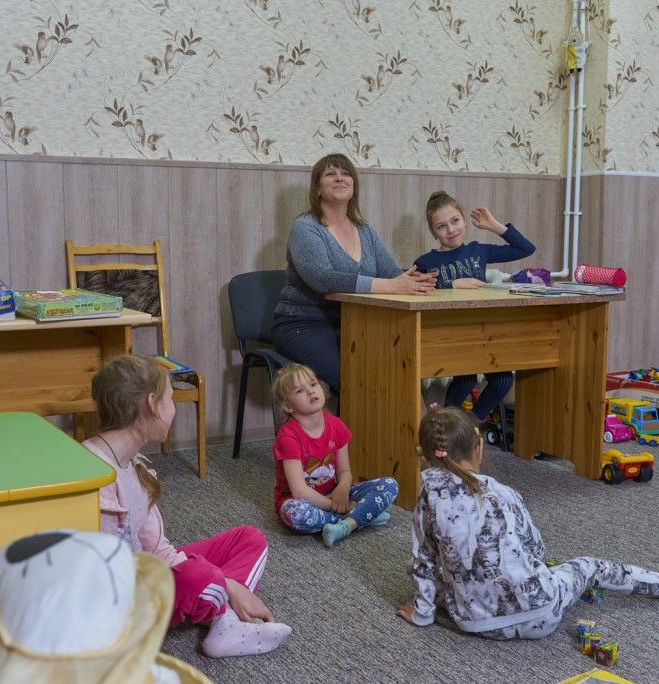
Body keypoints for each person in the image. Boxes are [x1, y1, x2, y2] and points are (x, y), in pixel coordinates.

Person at [397, 406, 659, 640]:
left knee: (436, 571)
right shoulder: (503, 494)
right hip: (541, 615)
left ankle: (452, 605)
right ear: (479, 448)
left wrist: (422, 614)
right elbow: (537, 551)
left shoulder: (427, 496)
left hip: (474, 624)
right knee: (590, 567)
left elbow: (423, 562)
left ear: (425, 458)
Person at [84, 354, 291, 658]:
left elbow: (156, 548)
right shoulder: (96, 475)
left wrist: (204, 575)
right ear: (152, 404)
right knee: (199, 576)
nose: (173, 409)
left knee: (249, 539)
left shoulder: (132, 463)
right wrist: (227, 584)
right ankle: (224, 614)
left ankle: (223, 619)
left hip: (143, 574)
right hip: (119, 605)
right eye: (170, 400)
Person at [272, 152, 437, 394]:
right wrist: (391, 285)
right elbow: (324, 279)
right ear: (317, 189)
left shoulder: (365, 230)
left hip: (356, 322)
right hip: (303, 324)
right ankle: (350, 421)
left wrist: (414, 280)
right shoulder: (305, 227)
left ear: (353, 186)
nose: (340, 178)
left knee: (397, 370)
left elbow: (390, 272)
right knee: (353, 381)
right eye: (331, 174)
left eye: (346, 173)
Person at [413, 191, 536, 426]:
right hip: (448, 335)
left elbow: (526, 249)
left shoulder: (478, 251)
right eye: (441, 226)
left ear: (465, 221)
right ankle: (445, 425)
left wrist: (495, 226)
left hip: (481, 333)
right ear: (433, 231)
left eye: (455, 221)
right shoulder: (426, 262)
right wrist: (451, 285)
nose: (451, 230)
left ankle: (470, 425)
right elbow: (413, 289)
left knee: (502, 381)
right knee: (466, 378)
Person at [271, 363, 398, 547]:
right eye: (300, 390)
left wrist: (342, 489)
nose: (310, 391)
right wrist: (337, 506)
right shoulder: (288, 437)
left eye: (313, 384)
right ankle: (356, 517)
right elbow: (299, 491)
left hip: (334, 492)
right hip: (302, 501)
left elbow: (344, 472)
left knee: (390, 484)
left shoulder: (337, 425)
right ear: (288, 406)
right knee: (295, 513)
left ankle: (346, 526)